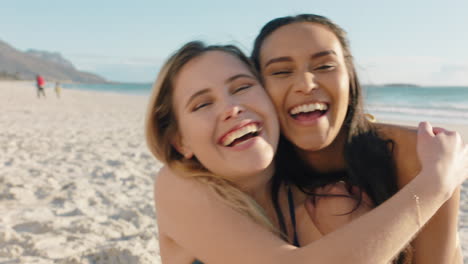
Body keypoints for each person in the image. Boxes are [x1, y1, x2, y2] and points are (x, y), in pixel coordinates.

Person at [146, 41, 468, 264]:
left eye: (242, 87)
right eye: (202, 104)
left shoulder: (317, 198)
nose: (232, 108)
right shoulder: (179, 185)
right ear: (180, 141)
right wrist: (433, 186)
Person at [251, 14, 463, 263]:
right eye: (282, 71)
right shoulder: (252, 172)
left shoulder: (421, 154)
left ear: (350, 77)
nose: (306, 84)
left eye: (325, 66)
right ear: (258, 88)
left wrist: (433, 183)